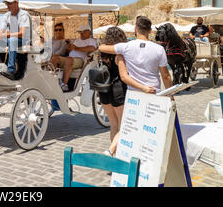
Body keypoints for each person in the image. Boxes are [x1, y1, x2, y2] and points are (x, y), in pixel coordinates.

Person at [98, 26, 156, 157]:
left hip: (103, 90)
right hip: (117, 89)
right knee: (123, 124)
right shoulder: (120, 54)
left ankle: (115, 156)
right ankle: (110, 151)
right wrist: (142, 87)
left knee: (113, 124)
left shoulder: (103, 53)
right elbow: (124, 76)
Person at [99, 16, 173, 96]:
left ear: (135, 29)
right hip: (153, 91)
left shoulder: (125, 47)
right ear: (150, 31)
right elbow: (166, 76)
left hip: (133, 93)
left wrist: (105, 40)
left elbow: (101, 48)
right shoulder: (159, 49)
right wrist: (171, 96)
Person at [0, 0, 31, 80]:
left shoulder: (24, 15)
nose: (7, 6)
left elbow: (22, 33)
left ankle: (11, 70)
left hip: (23, 40)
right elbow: (2, 31)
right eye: (7, 4)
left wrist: (5, 35)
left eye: (9, 3)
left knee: (13, 40)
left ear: (16, 3)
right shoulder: (7, 15)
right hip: (11, 38)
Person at [51, 24, 97, 92]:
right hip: (69, 59)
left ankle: (64, 84)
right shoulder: (77, 40)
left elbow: (92, 48)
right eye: (80, 32)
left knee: (69, 60)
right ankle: (54, 81)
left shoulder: (91, 41)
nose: (81, 33)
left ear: (89, 32)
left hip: (80, 60)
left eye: (83, 31)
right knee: (54, 58)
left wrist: (77, 48)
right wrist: (68, 47)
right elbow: (71, 50)